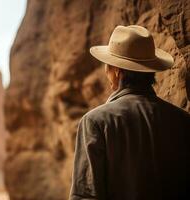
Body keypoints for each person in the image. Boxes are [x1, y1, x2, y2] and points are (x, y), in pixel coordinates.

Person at [69, 25, 190, 200]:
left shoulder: (96, 121)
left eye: (107, 65)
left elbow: (85, 195)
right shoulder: (183, 120)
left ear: (117, 70)